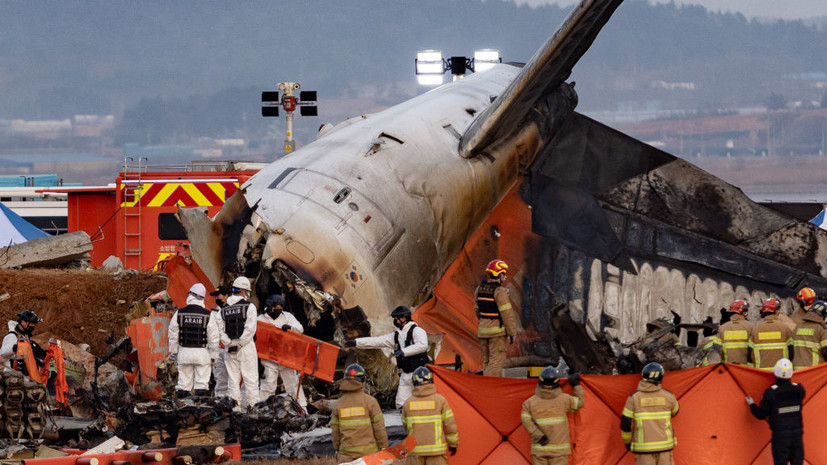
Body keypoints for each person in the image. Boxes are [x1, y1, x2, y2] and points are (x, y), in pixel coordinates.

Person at [346, 305, 430, 408]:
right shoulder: (397, 335)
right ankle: (403, 421)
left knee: (422, 400)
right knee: (401, 403)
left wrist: (403, 352)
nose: (395, 321)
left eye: (396, 319)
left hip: (418, 373)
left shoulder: (417, 331)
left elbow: (422, 345)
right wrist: (356, 342)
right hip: (405, 373)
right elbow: (378, 341)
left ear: (403, 318)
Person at [746, 358, 804, 465]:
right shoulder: (799, 390)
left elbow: (761, 414)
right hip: (797, 437)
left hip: (780, 438)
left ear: (776, 372)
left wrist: (752, 405)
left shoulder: (771, 393)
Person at [521, 366, 584, 465]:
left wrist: (538, 436)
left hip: (539, 451)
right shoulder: (565, 400)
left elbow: (526, 421)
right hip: (559, 452)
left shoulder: (529, 403)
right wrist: (575, 384)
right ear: (557, 383)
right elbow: (580, 403)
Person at [167, 283, 220, 398]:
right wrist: (214, 355)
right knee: (201, 384)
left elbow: (173, 334)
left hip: (184, 352)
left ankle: (182, 409)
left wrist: (173, 351)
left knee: (183, 384)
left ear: (191, 295)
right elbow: (213, 338)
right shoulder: (208, 315)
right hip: (202, 354)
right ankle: (200, 410)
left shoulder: (179, 313)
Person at [620, 362, 679, 464]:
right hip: (665, 447)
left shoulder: (634, 398)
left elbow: (625, 423)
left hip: (643, 449)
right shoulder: (669, 396)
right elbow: (675, 411)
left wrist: (627, 442)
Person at [215, 276, 259, 410]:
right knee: (250, 379)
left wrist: (229, 344)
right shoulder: (249, 307)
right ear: (244, 292)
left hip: (230, 349)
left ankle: (235, 409)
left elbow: (220, 331)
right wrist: (240, 344)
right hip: (246, 347)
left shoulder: (222, 310)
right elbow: (250, 329)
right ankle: (253, 408)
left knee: (232, 381)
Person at [257, 294, 307, 410]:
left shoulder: (287, 316)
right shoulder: (259, 320)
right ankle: (263, 410)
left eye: (280, 308)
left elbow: (300, 329)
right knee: (268, 386)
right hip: (268, 358)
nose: (278, 310)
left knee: (293, 384)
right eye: (276, 307)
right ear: (270, 307)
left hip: (286, 357)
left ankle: (302, 409)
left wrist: (290, 327)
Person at [330, 363, 388, 464]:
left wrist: (337, 448)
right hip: (369, 456)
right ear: (363, 381)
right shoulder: (370, 402)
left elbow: (335, 432)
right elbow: (379, 428)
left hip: (346, 457)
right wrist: (383, 446)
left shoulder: (338, 404)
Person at [402, 366, 459, 465]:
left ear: (414, 382)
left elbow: (405, 425)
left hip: (415, 451)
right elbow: (450, 425)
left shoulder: (408, 403)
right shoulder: (440, 400)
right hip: (436, 451)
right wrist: (453, 443)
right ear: (431, 380)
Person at [474, 259, 518, 376]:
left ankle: (486, 385)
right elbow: (507, 314)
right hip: (497, 334)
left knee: (487, 361)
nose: (504, 276)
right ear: (499, 274)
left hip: (483, 331)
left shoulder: (479, 289)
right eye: (503, 273)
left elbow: (477, 310)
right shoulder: (500, 291)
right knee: (496, 362)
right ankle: (489, 388)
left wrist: (484, 322)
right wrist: (511, 332)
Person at [750, 298, 794, 371]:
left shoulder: (756, 329)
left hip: (761, 372)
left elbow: (749, 353)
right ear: (776, 311)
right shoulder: (785, 328)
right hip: (781, 371)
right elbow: (791, 351)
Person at [712, 300, 754, 365]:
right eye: (745, 311)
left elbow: (716, 350)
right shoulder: (750, 327)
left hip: (728, 368)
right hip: (746, 369)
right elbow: (753, 351)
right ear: (743, 312)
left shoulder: (722, 328)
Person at [209, 284, 232, 398]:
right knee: (220, 378)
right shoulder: (213, 313)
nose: (216, 298)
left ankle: (234, 405)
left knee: (233, 379)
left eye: (218, 296)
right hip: (218, 349)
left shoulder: (234, 310)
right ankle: (220, 405)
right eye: (215, 296)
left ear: (226, 296)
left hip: (232, 349)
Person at [791, 299, 827, 369]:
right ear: (823, 315)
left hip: (797, 370)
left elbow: (791, 350)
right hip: (814, 370)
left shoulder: (798, 327)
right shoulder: (822, 329)